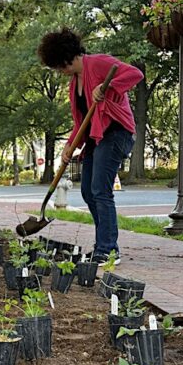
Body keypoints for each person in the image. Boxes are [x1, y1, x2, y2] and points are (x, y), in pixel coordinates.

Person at [37, 28, 143, 264]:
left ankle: (107, 250)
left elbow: (135, 74)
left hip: (117, 132)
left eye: (60, 66)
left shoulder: (98, 63)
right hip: (97, 136)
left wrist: (107, 87)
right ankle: (103, 245)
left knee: (100, 190)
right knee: (87, 191)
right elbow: (81, 122)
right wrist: (69, 146)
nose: (61, 72)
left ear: (68, 57)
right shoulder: (73, 84)